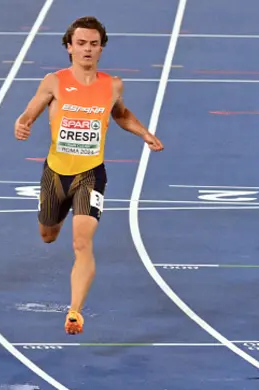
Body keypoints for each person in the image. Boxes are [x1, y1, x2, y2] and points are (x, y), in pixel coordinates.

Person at [14, 16, 164, 335]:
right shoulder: (54, 81)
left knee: (82, 243)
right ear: (69, 47)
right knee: (48, 235)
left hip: (90, 174)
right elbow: (31, 110)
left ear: (101, 49)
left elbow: (120, 113)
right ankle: (61, 212)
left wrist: (144, 133)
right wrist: (24, 121)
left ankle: (74, 311)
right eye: (81, 43)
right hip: (55, 173)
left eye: (93, 44)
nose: (87, 49)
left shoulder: (112, 85)